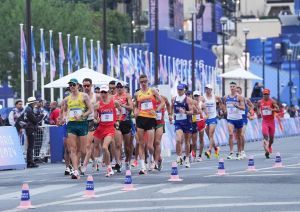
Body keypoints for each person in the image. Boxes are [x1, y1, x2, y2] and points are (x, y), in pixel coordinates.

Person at [59, 78, 92, 179]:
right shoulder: (67, 99)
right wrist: (63, 118)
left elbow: (91, 110)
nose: (72, 87)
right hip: (72, 124)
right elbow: (64, 110)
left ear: (78, 85)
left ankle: (78, 166)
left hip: (82, 124)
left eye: (73, 85)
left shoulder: (84, 96)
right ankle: (75, 170)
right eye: (70, 85)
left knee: (82, 150)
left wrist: (82, 115)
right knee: (72, 149)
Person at [134, 74, 164, 174]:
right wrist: (135, 111)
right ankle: (142, 167)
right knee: (141, 143)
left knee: (150, 146)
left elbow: (162, 102)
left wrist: (156, 110)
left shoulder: (152, 91)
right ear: (139, 82)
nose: (143, 83)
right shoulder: (137, 94)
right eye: (141, 82)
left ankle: (152, 159)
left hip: (151, 119)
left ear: (148, 81)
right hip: (141, 119)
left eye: (145, 81)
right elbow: (135, 106)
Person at [93, 84, 122, 177]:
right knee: (102, 148)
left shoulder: (114, 102)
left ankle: (109, 168)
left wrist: (118, 120)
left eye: (105, 92)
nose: (103, 94)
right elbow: (94, 117)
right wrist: (96, 119)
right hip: (101, 128)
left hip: (110, 128)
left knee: (105, 147)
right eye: (102, 92)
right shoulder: (97, 105)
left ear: (108, 92)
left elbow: (121, 111)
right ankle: (109, 167)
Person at [170, 84, 194, 168]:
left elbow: (191, 112)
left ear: (184, 90)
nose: (179, 91)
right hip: (178, 122)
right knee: (178, 140)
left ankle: (187, 158)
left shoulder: (188, 100)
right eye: (178, 89)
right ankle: (179, 156)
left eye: (181, 89)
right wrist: (170, 116)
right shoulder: (174, 99)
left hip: (187, 122)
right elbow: (171, 108)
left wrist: (185, 112)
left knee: (187, 141)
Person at [113, 82, 134, 171]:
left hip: (126, 121)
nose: (119, 89)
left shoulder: (127, 96)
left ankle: (127, 161)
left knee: (127, 146)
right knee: (118, 144)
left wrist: (122, 105)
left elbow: (131, 107)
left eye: (120, 87)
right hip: (117, 122)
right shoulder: (113, 97)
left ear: (123, 88)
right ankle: (118, 162)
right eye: (117, 87)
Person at [81, 78, 99, 174]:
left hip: (91, 122)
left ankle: (83, 166)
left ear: (91, 85)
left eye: (88, 85)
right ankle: (95, 160)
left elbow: (102, 106)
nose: (86, 87)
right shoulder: (80, 96)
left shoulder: (96, 96)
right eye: (85, 86)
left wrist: (98, 117)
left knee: (88, 146)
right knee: (83, 147)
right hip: (81, 122)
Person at [224, 82, 245, 160]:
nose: (232, 88)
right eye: (231, 86)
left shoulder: (239, 97)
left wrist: (237, 106)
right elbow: (223, 105)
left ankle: (239, 152)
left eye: (234, 86)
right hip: (230, 119)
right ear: (230, 87)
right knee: (230, 134)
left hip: (238, 119)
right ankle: (231, 152)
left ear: (236, 88)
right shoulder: (226, 97)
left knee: (239, 137)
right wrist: (224, 110)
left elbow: (243, 108)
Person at [257, 88, 279, 158]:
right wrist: (258, 113)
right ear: (263, 95)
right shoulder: (260, 102)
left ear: (269, 95)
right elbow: (257, 107)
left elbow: (278, 109)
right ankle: (266, 150)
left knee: (271, 139)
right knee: (265, 136)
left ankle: (269, 146)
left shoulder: (272, 101)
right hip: (265, 122)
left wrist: (272, 109)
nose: (265, 95)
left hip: (271, 122)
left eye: (267, 94)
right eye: (264, 94)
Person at [24, 97, 44, 168]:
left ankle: (30, 162)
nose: (35, 104)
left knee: (30, 146)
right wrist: (41, 116)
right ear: (32, 103)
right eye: (35, 102)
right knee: (31, 146)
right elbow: (35, 120)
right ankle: (30, 162)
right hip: (30, 129)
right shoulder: (29, 110)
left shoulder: (28, 109)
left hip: (29, 128)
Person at [202, 84, 221, 159]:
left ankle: (209, 151)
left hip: (213, 117)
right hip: (206, 118)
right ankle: (216, 148)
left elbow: (221, 102)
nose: (207, 90)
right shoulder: (203, 97)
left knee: (211, 133)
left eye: (209, 89)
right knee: (209, 136)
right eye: (206, 88)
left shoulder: (215, 96)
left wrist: (219, 109)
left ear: (211, 90)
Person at [153, 87, 170, 171]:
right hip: (152, 123)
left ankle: (155, 162)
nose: (155, 94)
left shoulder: (163, 98)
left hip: (160, 123)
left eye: (156, 92)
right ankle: (159, 159)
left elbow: (169, 104)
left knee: (157, 142)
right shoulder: (150, 99)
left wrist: (170, 114)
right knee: (152, 144)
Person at [237, 86, 253, 159]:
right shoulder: (234, 99)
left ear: (241, 92)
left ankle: (242, 151)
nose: (237, 92)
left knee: (242, 135)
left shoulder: (245, 99)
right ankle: (239, 151)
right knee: (238, 136)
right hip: (236, 118)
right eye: (236, 91)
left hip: (243, 119)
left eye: (238, 91)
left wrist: (249, 111)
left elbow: (252, 106)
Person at [191, 91, 206, 162]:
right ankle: (194, 155)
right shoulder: (191, 104)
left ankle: (200, 155)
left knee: (201, 139)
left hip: (201, 122)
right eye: (195, 96)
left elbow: (206, 113)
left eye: (197, 96)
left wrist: (205, 117)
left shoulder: (202, 104)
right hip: (194, 122)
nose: (196, 97)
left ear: (199, 96)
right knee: (194, 141)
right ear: (193, 96)